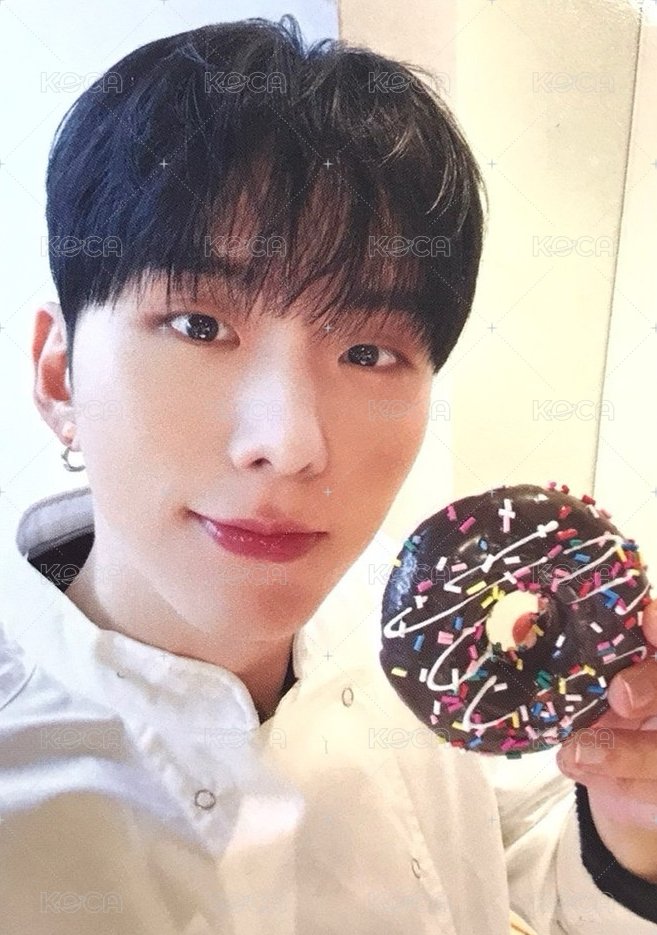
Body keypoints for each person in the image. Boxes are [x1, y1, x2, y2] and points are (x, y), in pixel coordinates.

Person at [1, 14, 656, 934]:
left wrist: (629, 832)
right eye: (200, 326)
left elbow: (519, 870)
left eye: (366, 351)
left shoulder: (423, 645)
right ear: (59, 373)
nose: (291, 442)